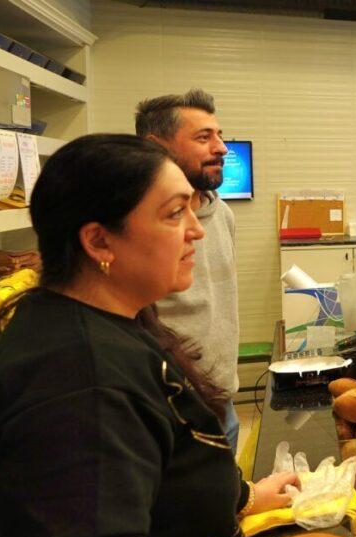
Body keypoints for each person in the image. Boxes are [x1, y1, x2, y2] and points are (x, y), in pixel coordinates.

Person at [0, 135, 319, 537]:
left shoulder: (108, 323)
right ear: (99, 242)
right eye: (172, 214)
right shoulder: (75, 378)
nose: (195, 232)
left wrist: (242, 498)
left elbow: (151, 472)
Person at [136, 89, 242, 452]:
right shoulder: (139, 224)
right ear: (157, 147)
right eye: (203, 137)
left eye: (219, 136)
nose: (222, 148)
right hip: (167, 407)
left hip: (222, 398)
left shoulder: (221, 214)